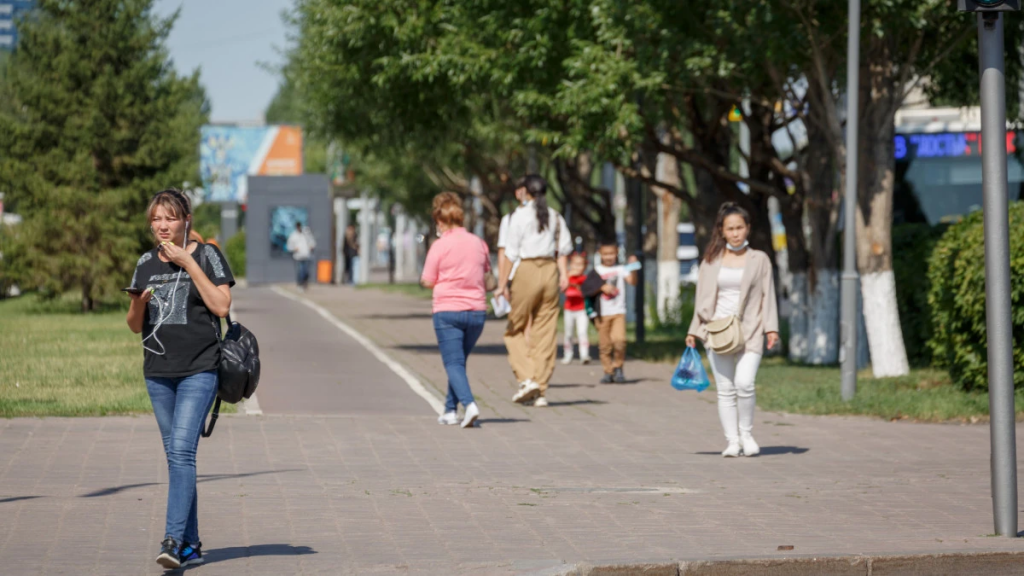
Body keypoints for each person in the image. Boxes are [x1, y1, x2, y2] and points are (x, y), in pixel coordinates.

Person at [125, 188, 235, 569]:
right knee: (177, 458)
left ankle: (172, 541)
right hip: (158, 373)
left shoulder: (207, 255)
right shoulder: (145, 262)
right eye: (156, 218)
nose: (162, 225)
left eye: (169, 217)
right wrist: (138, 301)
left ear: (186, 219)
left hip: (199, 369)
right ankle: (191, 543)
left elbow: (221, 305)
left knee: (182, 452)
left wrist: (189, 264)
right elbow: (134, 324)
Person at [686, 202, 779, 458]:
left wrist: (771, 329)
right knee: (725, 388)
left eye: (740, 227)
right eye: (731, 229)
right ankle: (732, 441)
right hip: (717, 331)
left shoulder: (759, 259)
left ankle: (747, 434)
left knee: (744, 383)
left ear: (748, 228)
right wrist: (694, 331)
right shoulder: (711, 261)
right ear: (722, 231)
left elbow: (767, 295)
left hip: (750, 329)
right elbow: (702, 299)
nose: (736, 233)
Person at [497, 175, 572, 407]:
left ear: (525, 192)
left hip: (527, 270)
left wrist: (502, 284)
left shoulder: (519, 216)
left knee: (514, 328)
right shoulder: (555, 216)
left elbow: (510, 253)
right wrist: (564, 274)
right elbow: (564, 248)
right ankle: (540, 388)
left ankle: (528, 378)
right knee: (545, 331)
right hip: (550, 271)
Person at [421, 192, 490, 428]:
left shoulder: (439, 246)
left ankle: (469, 405)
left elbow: (428, 280)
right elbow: (488, 277)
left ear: (440, 222)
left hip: (447, 312)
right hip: (477, 312)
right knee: (458, 361)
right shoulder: (479, 243)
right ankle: (450, 410)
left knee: (453, 363)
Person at [594, 241, 638, 383]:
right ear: (600, 254)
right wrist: (602, 288)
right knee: (605, 345)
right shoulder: (597, 271)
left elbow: (632, 281)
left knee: (620, 341)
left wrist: (633, 267)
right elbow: (589, 287)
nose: (608, 257)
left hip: (619, 311)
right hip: (602, 313)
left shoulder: (621, 269)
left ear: (617, 253)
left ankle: (618, 367)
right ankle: (608, 371)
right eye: (605, 254)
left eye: (611, 253)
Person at [561, 252, 591, 365]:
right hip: (569, 309)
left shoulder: (585, 278)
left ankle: (584, 354)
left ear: (585, 266)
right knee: (568, 333)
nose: (577, 267)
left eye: (580, 264)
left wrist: (577, 286)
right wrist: (568, 276)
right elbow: (562, 289)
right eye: (575, 264)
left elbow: (586, 291)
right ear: (570, 264)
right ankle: (568, 354)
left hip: (582, 310)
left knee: (582, 332)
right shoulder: (567, 276)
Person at [286, 222, 316, 290]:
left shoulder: (306, 234)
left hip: (306, 255)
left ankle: (304, 283)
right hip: (298, 257)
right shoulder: (293, 236)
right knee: (300, 271)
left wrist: (311, 246)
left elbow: (312, 242)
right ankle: (300, 284)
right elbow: (289, 246)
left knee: (306, 271)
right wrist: (294, 249)